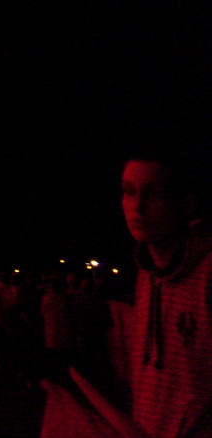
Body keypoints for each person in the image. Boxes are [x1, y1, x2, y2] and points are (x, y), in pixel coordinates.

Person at [117, 154, 212, 438]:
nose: (138, 207)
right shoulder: (147, 273)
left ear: (188, 202)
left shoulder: (206, 274)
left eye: (154, 194)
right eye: (129, 192)